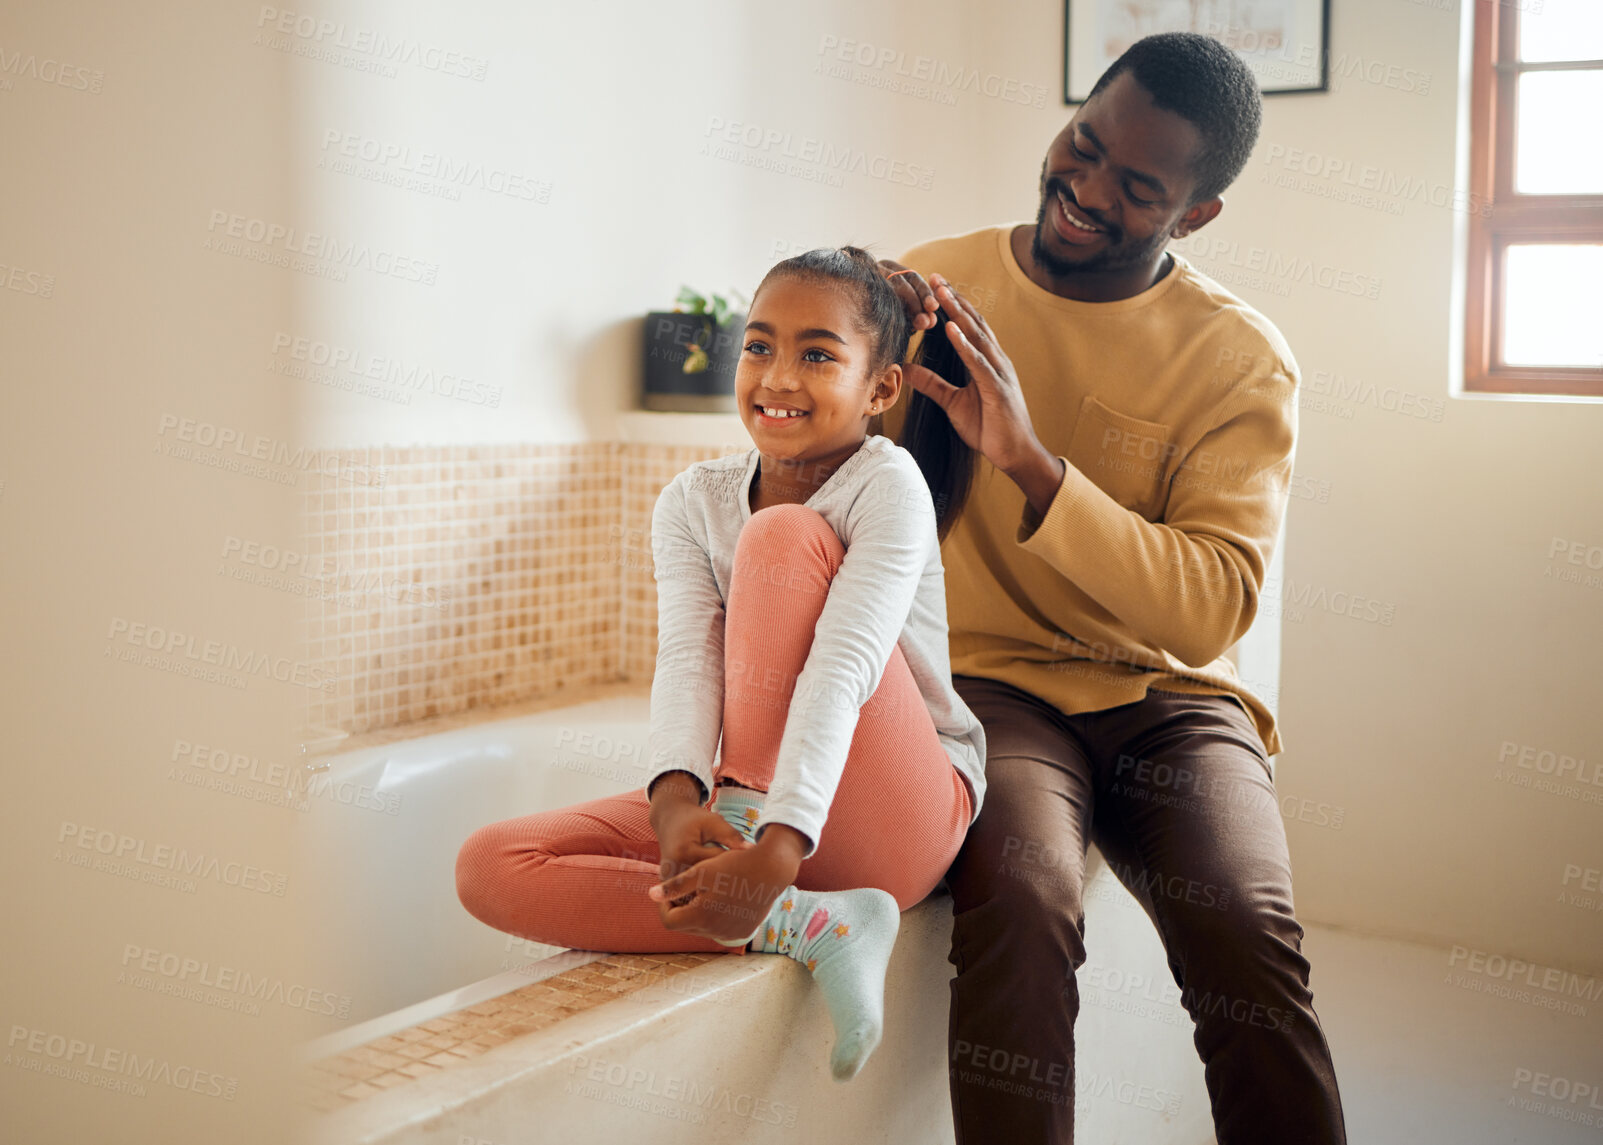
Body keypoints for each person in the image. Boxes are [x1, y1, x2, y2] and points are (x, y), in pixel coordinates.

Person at [874, 31, 1348, 1145]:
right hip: (988, 684)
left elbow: (1208, 604)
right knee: (1023, 899)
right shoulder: (940, 284)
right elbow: (838, 492)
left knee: (1246, 926)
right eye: (1081, 146)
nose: (1083, 191)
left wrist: (1033, 463)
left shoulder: (1238, 359)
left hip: (1168, 700)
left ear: (1194, 214)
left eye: (1135, 188)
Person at [454, 245, 988, 1082]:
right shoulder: (692, 499)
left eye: (817, 354)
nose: (776, 376)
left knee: (778, 538)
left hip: (893, 815)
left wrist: (775, 843)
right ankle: (807, 921)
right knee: (491, 864)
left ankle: (768, 864)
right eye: (758, 345)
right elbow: (686, 661)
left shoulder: (887, 485)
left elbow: (842, 669)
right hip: (757, 807)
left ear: (880, 389)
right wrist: (675, 804)